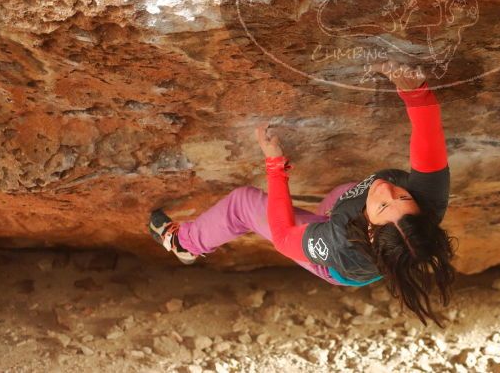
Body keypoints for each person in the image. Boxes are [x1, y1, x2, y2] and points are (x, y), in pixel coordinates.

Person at [149, 69, 456, 327]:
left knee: (242, 204)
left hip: (334, 264)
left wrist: (275, 166)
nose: (386, 190)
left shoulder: (337, 241)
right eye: (402, 197)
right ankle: (334, 214)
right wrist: (414, 91)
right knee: (345, 193)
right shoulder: (428, 201)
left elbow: (284, 237)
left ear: (370, 231)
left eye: (384, 205)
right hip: (357, 232)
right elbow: (428, 134)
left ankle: (184, 244)